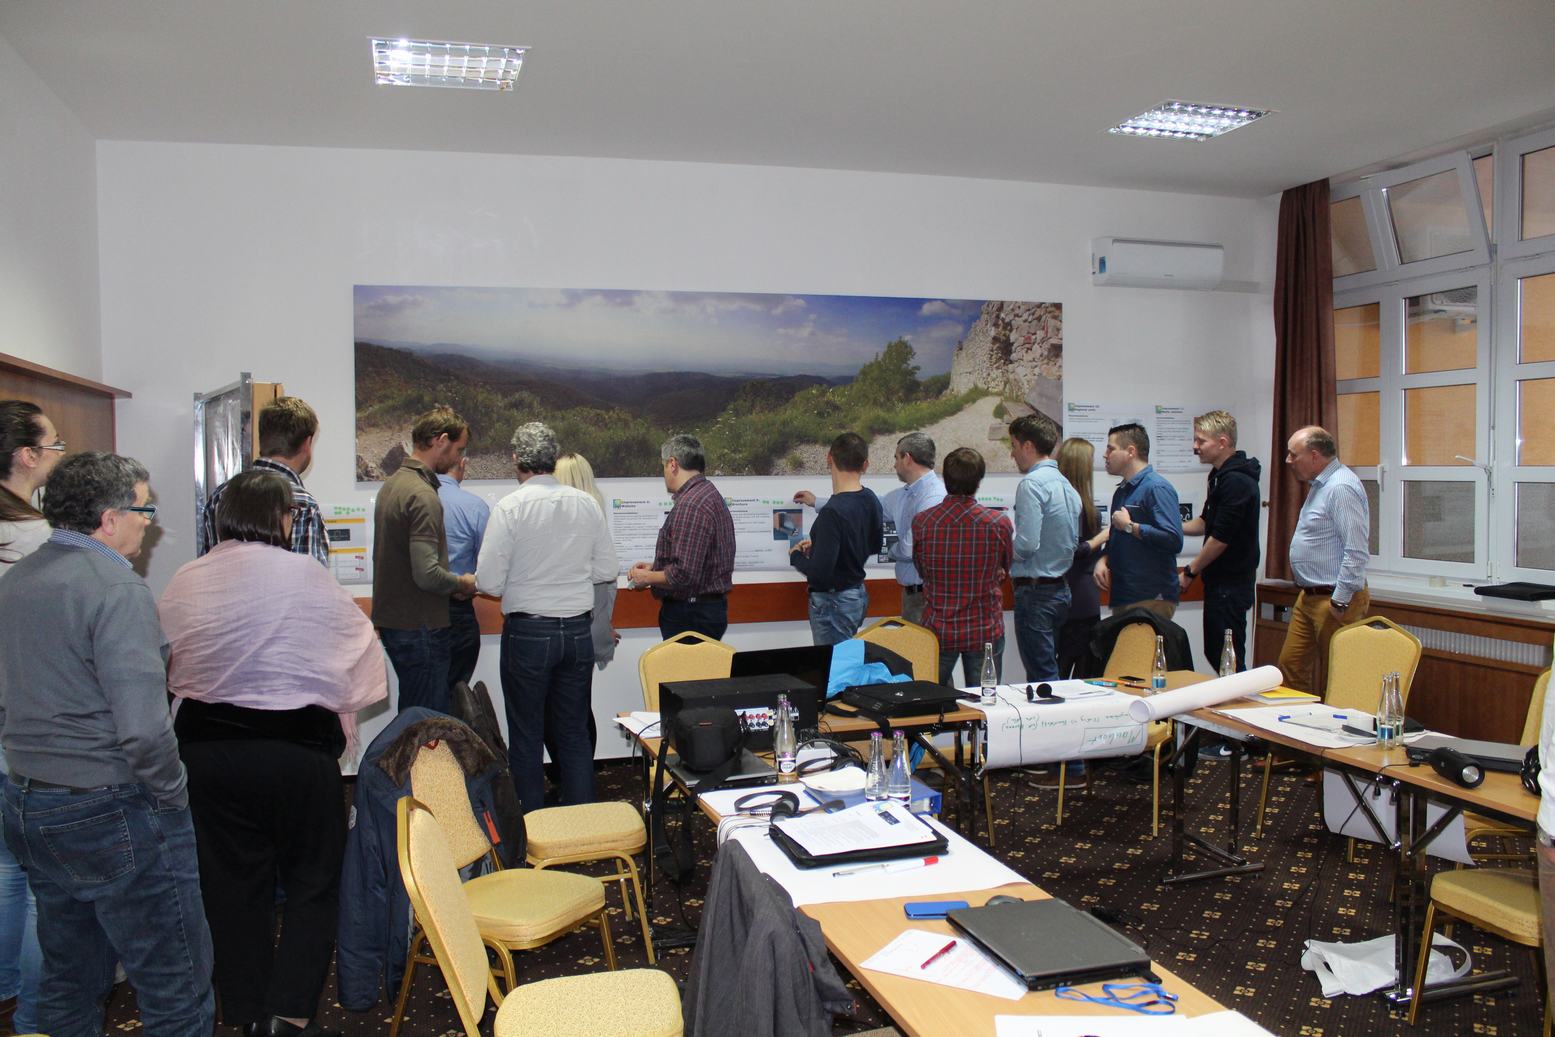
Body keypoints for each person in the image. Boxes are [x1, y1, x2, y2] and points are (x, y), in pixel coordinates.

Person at [160, 469, 387, 1037]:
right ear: (282, 519)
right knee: (314, 881)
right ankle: (287, 1011)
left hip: (208, 757)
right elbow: (358, 644)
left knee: (232, 889)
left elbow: (167, 660)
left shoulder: (188, 578)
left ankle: (244, 1011)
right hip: (296, 755)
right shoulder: (304, 574)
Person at [0, 451, 214, 1037]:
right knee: (175, 985)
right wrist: (173, 794)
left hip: (28, 800)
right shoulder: (117, 589)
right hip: (110, 805)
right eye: (144, 510)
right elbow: (143, 729)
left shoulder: (17, 580)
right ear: (110, 517)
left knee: (70, 977)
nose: (149, 524)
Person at [477, 424, 617, 811]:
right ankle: (583, 824)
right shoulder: (585, 504)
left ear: (515, 459)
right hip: (577, 631)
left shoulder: (510, 507)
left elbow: (488, 581)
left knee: (527, 736)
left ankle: (534, 831)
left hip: (528, 633)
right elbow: (607, 569)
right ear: (554, 459)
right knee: (573, 732)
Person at [0, 401, 61, 1035]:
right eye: (53, 444)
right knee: (49, 881)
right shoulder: (39, 541)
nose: (58, 454)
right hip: (30, 722)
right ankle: (40, 1014)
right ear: (26, 456)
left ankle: (6, 991)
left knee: (3, 869)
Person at [371, 407, 477, 715]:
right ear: (441, 440)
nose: (458, 458)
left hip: (397, 623)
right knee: (428, 722)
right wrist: (463, 583)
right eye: (458, 449)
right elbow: (427, 573)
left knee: (413, 715)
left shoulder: (393, 485)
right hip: (421, 626)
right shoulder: (423, 495)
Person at [1277, 426, 1371, 692]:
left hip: (1336, 598)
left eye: (1293, 454)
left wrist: (1340, 600)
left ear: (1314, 455)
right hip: (1309, 596)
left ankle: (1335, 721)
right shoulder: (1321, 485)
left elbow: (1356, 550)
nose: (1288, 461)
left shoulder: (1341, 487)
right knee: (1290, 668)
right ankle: (1297, 719)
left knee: (1339, 678)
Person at [912, 447, 1013, 686]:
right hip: (984, 627)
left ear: (945, 478)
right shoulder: (998, 523)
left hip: (938, 628)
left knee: (931, 700)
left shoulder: (923, 522)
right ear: (979, 480)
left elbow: (921, 569)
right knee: (985, 701)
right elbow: (1005, 566)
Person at [629, 434, 735, 641]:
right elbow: (698, 561)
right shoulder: (707, 494)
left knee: (686, 664)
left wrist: (648, 578)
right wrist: (656, 567)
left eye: (663, 466)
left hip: (691, 614)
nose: (664, 473)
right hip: (702, 611)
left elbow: (684, 575)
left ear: (673, 464)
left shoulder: (691, 505)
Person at [200, 396, 329, 566]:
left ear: (261, 439)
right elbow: (311, 578)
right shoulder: (303, 504)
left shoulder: (220, 495)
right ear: (307, 443)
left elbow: (208, 568)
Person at [1179, 411, 1262, 673]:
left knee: (1228, 657)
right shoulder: (1219, 476)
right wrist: (1170, 527)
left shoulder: (1237, 481)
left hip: (1231, 584)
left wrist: (1190, 571)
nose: (1195, 446)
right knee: (1215, 652)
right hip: (1218, 583)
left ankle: (1239, 698)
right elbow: (1206, 522)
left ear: (1223, 442)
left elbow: (1220, 539)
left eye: (1201, 441)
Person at [788, 432, 883, 645]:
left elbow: (819, 575)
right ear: (865, 464)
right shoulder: (870, 498)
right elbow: (874, 545)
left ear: (829, 458)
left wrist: (795, 556)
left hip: (834, 603)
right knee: (844, 658)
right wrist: (824, 546)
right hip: (856, 596)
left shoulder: (832, 512)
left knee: (833, 664)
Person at [1008, 415, 1081, 681]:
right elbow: (1073, 541)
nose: (1012, 453)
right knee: (1052, 673)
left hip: (1036, 592)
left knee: (1042, 678)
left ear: (1028, 446)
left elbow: (1027, 545)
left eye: (1014, 445)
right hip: (1060, 590)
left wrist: (1002, 555)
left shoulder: (1032, 484)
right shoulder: (1066, 485)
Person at [1094, 422, 1183, 617]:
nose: (1105, 455)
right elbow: (1117, 537)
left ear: (1130, 451)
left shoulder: (1156, 488)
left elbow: (1173, 539)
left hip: (1150, 597)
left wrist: (1129, 526)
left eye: (1111, 449)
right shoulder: (1122, 491)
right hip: (1125, 595)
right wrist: (1104, 559)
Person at [876, 433, 946, 625]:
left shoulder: (934, 496)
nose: (894, 465)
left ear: (907, 458)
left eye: (896, 458)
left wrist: (891, 551)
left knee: (924, 646)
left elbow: (909, 549)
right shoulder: (905, 494)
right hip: (913, 596)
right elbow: (869, 507)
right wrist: (818, 502)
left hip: (927, 598)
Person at [1056, 437, 1109, 679]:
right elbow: (1074, 551)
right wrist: (1103, 536)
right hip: (1079, 598)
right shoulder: (1080, 508)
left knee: (1063, 670)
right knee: (1081, 674)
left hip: (1072, 595)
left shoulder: (1063, 505)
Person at [438, 454, 490, 689]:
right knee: (456, 693)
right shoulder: (474, 506)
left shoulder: (408, 500)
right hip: (458, 609)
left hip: (415, 611)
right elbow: (488, 565)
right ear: (462, 464)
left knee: (418, 694)